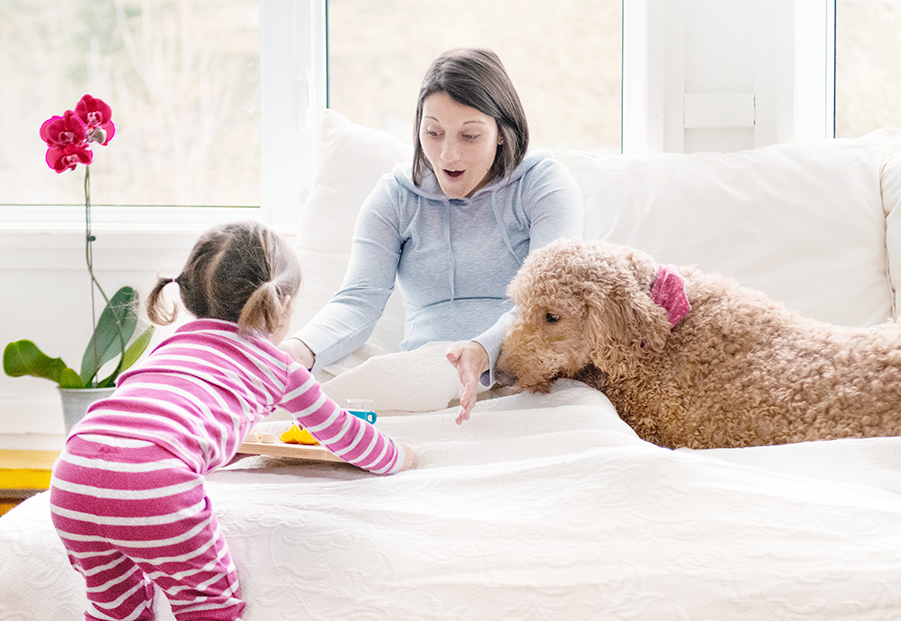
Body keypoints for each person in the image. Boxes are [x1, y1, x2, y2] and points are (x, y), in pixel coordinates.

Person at [49, 221, 416, 621]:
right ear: (283, 304)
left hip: (72, 475)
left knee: (114, 606)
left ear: (189, 294)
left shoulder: (168, 347)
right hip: (155, 485)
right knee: (206, 602)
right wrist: (399, 455)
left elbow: (150, 417)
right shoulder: (279, 366)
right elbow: (341, 433)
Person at [280, 47, 583, 423]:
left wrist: (482, 350)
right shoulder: (395, 196)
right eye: (434, 132)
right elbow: (358, 302)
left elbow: (546, 305)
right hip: (426, 376)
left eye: (469, 136)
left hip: (521, 375)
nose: (447, 156)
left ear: (502, 134)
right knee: (302, 403)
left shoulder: (544, 185)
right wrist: (297, 350)